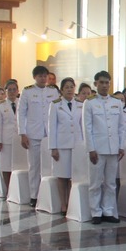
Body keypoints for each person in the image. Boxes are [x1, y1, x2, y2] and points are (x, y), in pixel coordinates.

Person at [83, 70, 124, 224]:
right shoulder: (90, 102)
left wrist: (121, 146)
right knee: (95, 182)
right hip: (97, 149)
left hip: (113, 148)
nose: (105, 85)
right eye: (101, 82)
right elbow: (87, 127)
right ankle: (96, 212)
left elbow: (121, 127)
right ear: (96, 84)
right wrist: (91, 149)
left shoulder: (116, 102)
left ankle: (108, 210)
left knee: (111, 183)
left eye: (107, 82)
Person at [18, 65, 60, 207]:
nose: (43, 78)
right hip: (33, 133)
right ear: (35, 77)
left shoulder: (53, 91)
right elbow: (21, 113)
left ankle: (49, 194)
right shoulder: (28, 91)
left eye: (45, 76)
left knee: (50, 165)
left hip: (49, 134)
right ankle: (34, 195)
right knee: (34, 166)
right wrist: (22, 133)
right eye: (40, 76)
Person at [48, 78, 82, 215]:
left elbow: (83, 125)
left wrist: (85, 145)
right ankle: (63, 203)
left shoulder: (80, 104)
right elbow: (52, 128)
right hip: (62, 145)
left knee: (74, 176)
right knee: (62, 176)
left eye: (71, 87)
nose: (69, 89)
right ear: (61, 90)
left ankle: (72, 202)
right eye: (66, 87)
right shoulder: (56, 105)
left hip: (77, 145)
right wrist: (53, 147)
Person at [0, 80, 20, 192]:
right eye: (9, 90)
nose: (12, 92)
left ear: (18, 91)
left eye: (14, 89)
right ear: (5, 92)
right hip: (6, 139)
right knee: (6, 165)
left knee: (19, 164)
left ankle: (17, 189)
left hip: (19, 138)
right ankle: (8, 189)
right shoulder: (0, 105)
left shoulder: (22, 102)